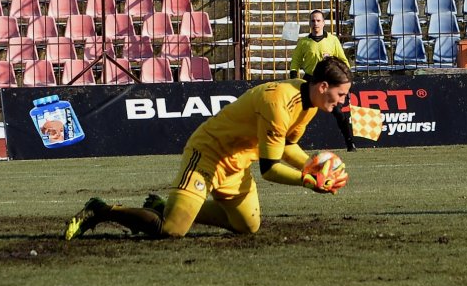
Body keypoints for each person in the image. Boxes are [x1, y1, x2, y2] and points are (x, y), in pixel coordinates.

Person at [63, 57, 354, 240]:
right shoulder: (279, 103)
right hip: (209, 153)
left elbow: (287, 146)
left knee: (247, 227)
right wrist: (308, 180)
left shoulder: (309, 104)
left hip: (236, 164)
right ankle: (101, 210)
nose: (342, 100)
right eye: (341, 94)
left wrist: (311, 166)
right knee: (171, 229)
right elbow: (269, 169)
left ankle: (163, 206)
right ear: (322, 86)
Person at [289, 8, 358, 151]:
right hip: (310, 80)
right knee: (298, 113)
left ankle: (350, 143)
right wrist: (294, 78)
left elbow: (343, 61)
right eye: (313, 21)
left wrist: (346, 80)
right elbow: (295, 62)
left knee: (338, 112)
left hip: (329, 81)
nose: (315, 23)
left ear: (323, 23)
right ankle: (289, 144)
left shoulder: (332, 40)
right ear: (310, 23)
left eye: (318, 20)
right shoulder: (304, 42)